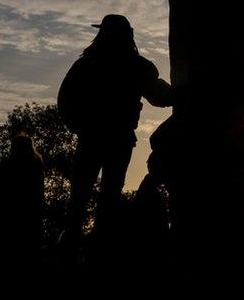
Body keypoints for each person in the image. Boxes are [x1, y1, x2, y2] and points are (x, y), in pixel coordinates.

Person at [57, 14, 174, 252]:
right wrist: (184, 92)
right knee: (107, 197)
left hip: (93, 139)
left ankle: (72, 252)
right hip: (117, 140)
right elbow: (159, 96)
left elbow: (65, 101)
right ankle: (99, 249)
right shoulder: (136, 65)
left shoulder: (86, 64)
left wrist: (80, 127)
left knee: (80, 198)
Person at [0, 134, 44, 262]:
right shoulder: (36, 166)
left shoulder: (4, 167)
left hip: (7, 219)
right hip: (30, 220)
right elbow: (39, 194)